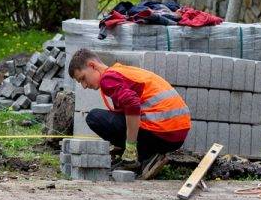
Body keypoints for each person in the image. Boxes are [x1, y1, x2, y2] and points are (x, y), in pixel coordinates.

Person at [67, 48, 190, 181]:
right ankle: (145, 155)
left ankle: (141, 156)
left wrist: (130, 145)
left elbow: (132, 105)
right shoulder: (121, 71)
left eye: (83, 79)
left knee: (94, 117)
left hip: (162, 133)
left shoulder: (108, 79)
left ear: (92, 66)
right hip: (176, 135)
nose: (84, 86)